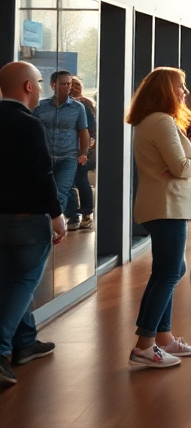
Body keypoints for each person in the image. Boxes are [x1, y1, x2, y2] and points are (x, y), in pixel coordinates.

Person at [127, 67, 191, 368]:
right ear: (164, 90)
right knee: (169, 273)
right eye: (180, 86)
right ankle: (144, 346)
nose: (184, 92)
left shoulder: (155, 120)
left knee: (169, 270)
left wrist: (189, 155)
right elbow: (181, 168)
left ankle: (163, 337)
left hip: (164, 205)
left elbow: (177, 164)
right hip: (166, 207)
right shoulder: (161, 121)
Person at [0, 62, 66, 386]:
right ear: (28, 86)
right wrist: (57, 215)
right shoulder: (29, 124)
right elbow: (42, 174)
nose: (41, 88)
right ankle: (1, 350)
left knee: (10, 281)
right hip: (27, 220)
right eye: (39, 82)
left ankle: (25, 343)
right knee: (25, 281)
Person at [33, 70, 89, 223]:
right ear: (53, 85)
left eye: (68, 84)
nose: (67, 87)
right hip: (45, 157)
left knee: (61, 192)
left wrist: (83, 153)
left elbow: (83, 131)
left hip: (68, 157)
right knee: (44, 192)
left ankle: (53, 224)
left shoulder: (78, 108)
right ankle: (49, 223)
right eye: (63, 84)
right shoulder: (40, 106)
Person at [67, 76, 97, 230]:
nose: (73, 88)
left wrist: (85, 149)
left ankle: (83, 214)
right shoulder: (65, 104)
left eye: (76, 85)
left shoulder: (83, 103)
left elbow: (90, 127)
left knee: (79, 180)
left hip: (79, 149)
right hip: (70, 148)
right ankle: (77, 214)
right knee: (74, 182)